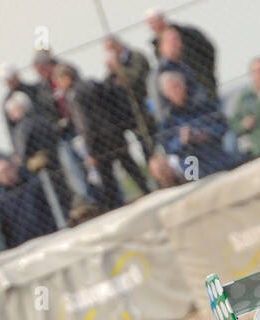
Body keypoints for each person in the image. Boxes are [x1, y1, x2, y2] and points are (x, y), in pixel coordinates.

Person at [54, 63, 150, 210]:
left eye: (59, 81)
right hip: (115, 133)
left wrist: (90, 152)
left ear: (66, 78)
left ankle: (115, 209)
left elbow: (84, 125)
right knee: (131, 167)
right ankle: (147, 192)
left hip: (98, 142)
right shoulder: (93, 83)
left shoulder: (74, 95)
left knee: (107, 180)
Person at [155, 72, 233, 179]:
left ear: (184, 86)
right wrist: (181, 140)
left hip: (214, 156)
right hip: (192, 165)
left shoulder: (202, 105)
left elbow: (222, 125)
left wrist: (207, 134)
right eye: (172, 89)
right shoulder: (167, 119)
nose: (176, 91)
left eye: (178, 86)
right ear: (166, 94)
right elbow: (167, 146)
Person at [145, 9, 217, 102]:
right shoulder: (156, 49)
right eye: (150, 23)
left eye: (155, 21)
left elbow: (208, 49)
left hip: (203, 83)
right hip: (181, 94)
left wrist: (206, 72)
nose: (154, 26)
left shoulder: (188, 33)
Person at [103, 35, 154, 155]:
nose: (110, 54)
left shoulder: (136, 57)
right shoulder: (117, 65)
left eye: (111, 49)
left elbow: (133, 79)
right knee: (145, 146)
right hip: (131, 113)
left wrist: (118, 68)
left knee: (154, 140)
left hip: (146, 106)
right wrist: (111, 72)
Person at [0, 159, 56, 249]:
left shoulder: (33, 183)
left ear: (14, 168)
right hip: (23, 244)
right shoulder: (0, 201)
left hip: (48, 233)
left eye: (7, 170)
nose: (6, 175)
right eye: (1, 174)